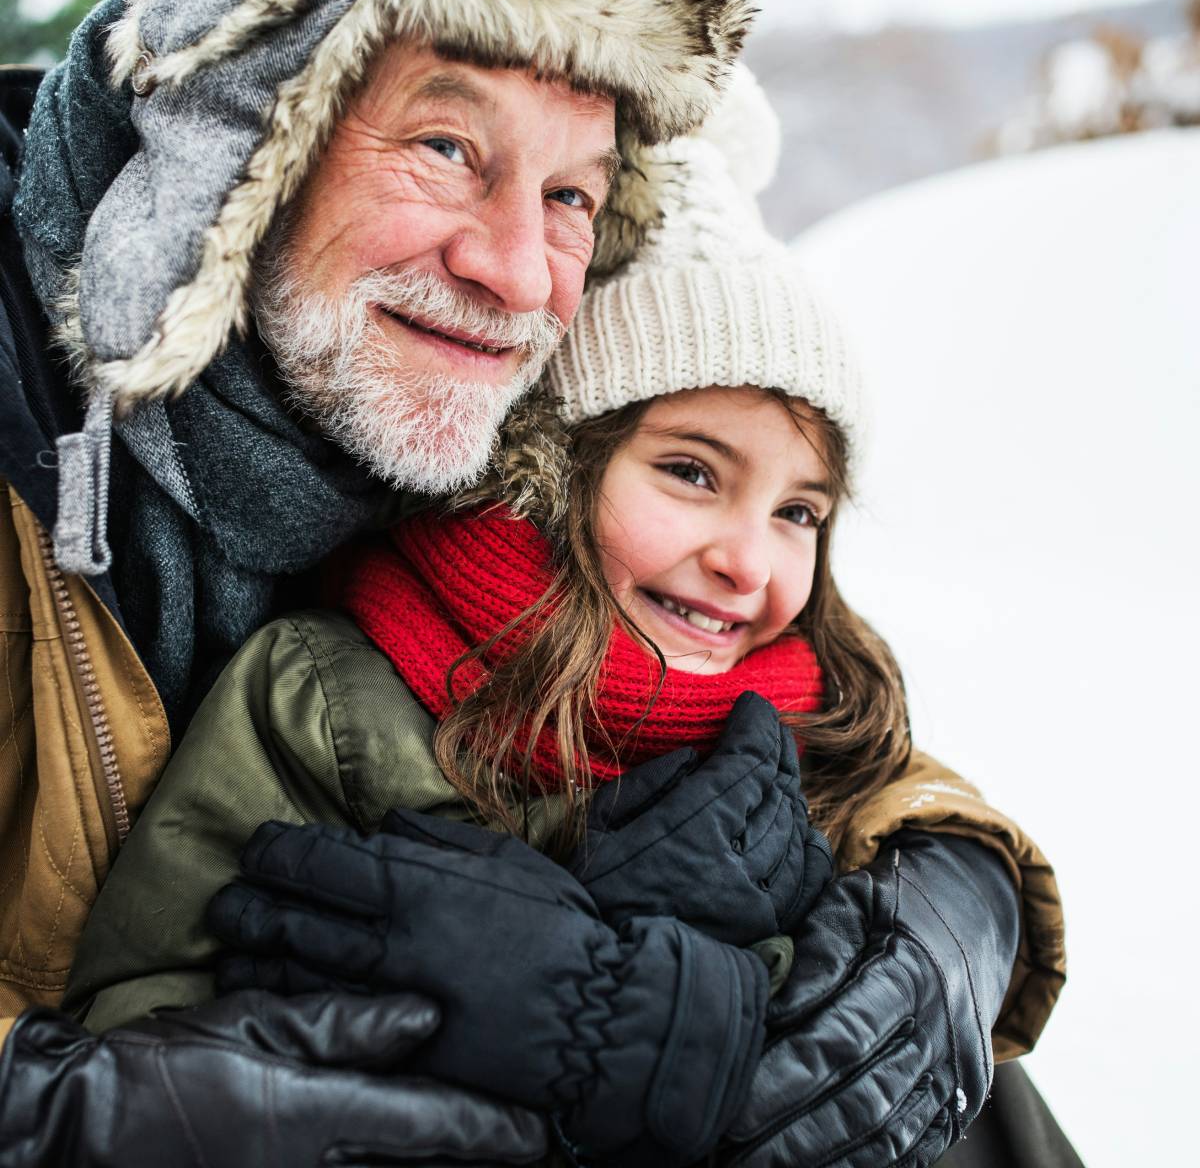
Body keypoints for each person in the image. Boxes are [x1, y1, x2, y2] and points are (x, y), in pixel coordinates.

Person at [62, 93, 1066, 1167]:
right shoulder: (332, 697)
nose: (749, 561)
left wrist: (960, 897)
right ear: (551, 469)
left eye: (799, 512)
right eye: (690, 472)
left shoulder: (820, 725)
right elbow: (151, 1021)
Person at [0, 0, 755, 1162]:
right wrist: (50, 1109)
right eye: (449, 146)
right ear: (248, 136)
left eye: (570, 194)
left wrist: (946, 904)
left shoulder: (520, 440)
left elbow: (804, 659)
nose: (514, 274)